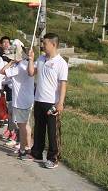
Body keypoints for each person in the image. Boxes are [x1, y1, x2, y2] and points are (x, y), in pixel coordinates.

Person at [27, 33, 68, 169]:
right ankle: (36, 153)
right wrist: (31, 60)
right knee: (38, 129)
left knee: (52, 132)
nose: (42, 45)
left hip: (52, 102)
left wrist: (60, 103)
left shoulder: (61, 63)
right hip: (38, 99)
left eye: (44, 43)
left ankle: (53, 158)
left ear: (53, 44)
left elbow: (63, 84)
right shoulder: (41, 58)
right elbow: (31, 73)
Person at [0, 42, 34, 157]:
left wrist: (10, 62)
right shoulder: (27, 64)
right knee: (26, 125)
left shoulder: (19, 67)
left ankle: (25, 149)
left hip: (21, 100)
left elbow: (2, 71)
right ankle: (27, 148)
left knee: (22, 126)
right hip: (27, 99)